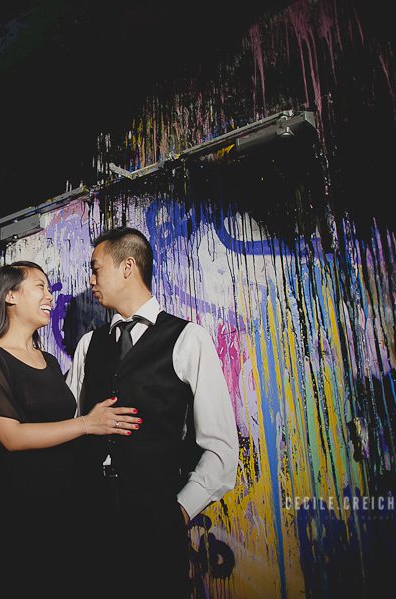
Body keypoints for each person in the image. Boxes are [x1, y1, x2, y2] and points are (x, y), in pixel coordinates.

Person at [0, 261, 139, 598]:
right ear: (10, 296)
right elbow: (12, 436)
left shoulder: (48, 361)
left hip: (61, 510)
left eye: (48, 289)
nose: (50, 296)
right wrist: (87, 424)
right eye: (40, 287)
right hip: (17, 517)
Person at [66, 227, 239, 598]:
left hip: (155, 526)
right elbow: (66, 429)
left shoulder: (189, 339)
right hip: (88, 522)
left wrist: (178, 512)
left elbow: (221, 447)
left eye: (96, 269)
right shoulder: (88, 346)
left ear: (128, 266)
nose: (91, 279)